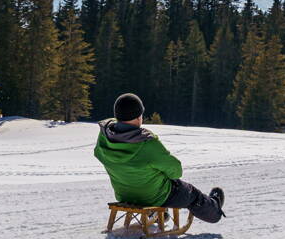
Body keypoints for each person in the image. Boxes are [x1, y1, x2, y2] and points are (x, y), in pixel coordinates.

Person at [94, 92, 225, 222]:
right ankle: (214, 210)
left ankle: (158, 214)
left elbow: (98, 154)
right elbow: (176, 171)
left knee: (150, 175)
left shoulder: (104, 138)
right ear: (139, 117)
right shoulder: (146, 143)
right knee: (191, 193)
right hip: (154, 196)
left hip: (124, 195)